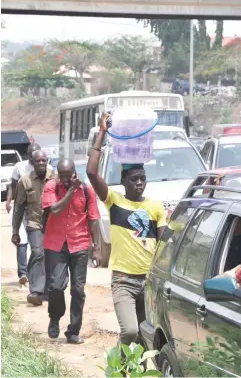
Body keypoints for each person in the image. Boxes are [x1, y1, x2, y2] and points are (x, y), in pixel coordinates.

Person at [86, 113, 167, 345]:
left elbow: (162, 245)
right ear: (123, 181)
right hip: (124, 281)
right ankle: (120, 370)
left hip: (148, 281)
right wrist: (102, 132)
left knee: (144, 337)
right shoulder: (114, 201)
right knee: (130, 331)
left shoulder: (156, 207)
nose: (139, 183)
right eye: (133, 179)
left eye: (142, 178)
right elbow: (91, 173)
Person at [42, 159, 101, 344]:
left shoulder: (87, 190)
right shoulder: (51, 186)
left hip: (80, 243)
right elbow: (55, 209)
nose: (66, 179)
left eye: (69, 175)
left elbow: (93, 218)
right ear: (58, 174)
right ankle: (55, 317)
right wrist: (70, 190)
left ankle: (73, 331)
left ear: (75, 172)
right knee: (56, 286)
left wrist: (97, 248)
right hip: (56, 244)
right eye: (62, 175)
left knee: (78, 289)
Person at [6, 144, 52, 286]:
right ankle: (31, 282)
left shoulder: (54, 178)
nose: (40, 163)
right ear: (31, 159)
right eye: (37, 160)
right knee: (37, 251)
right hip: (33, 221)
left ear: (47, 161)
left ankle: (43, 285)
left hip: (51, 223)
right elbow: (18, 208)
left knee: (45, 255)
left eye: (43, 160)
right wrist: (15, 231)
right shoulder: (24, 180)